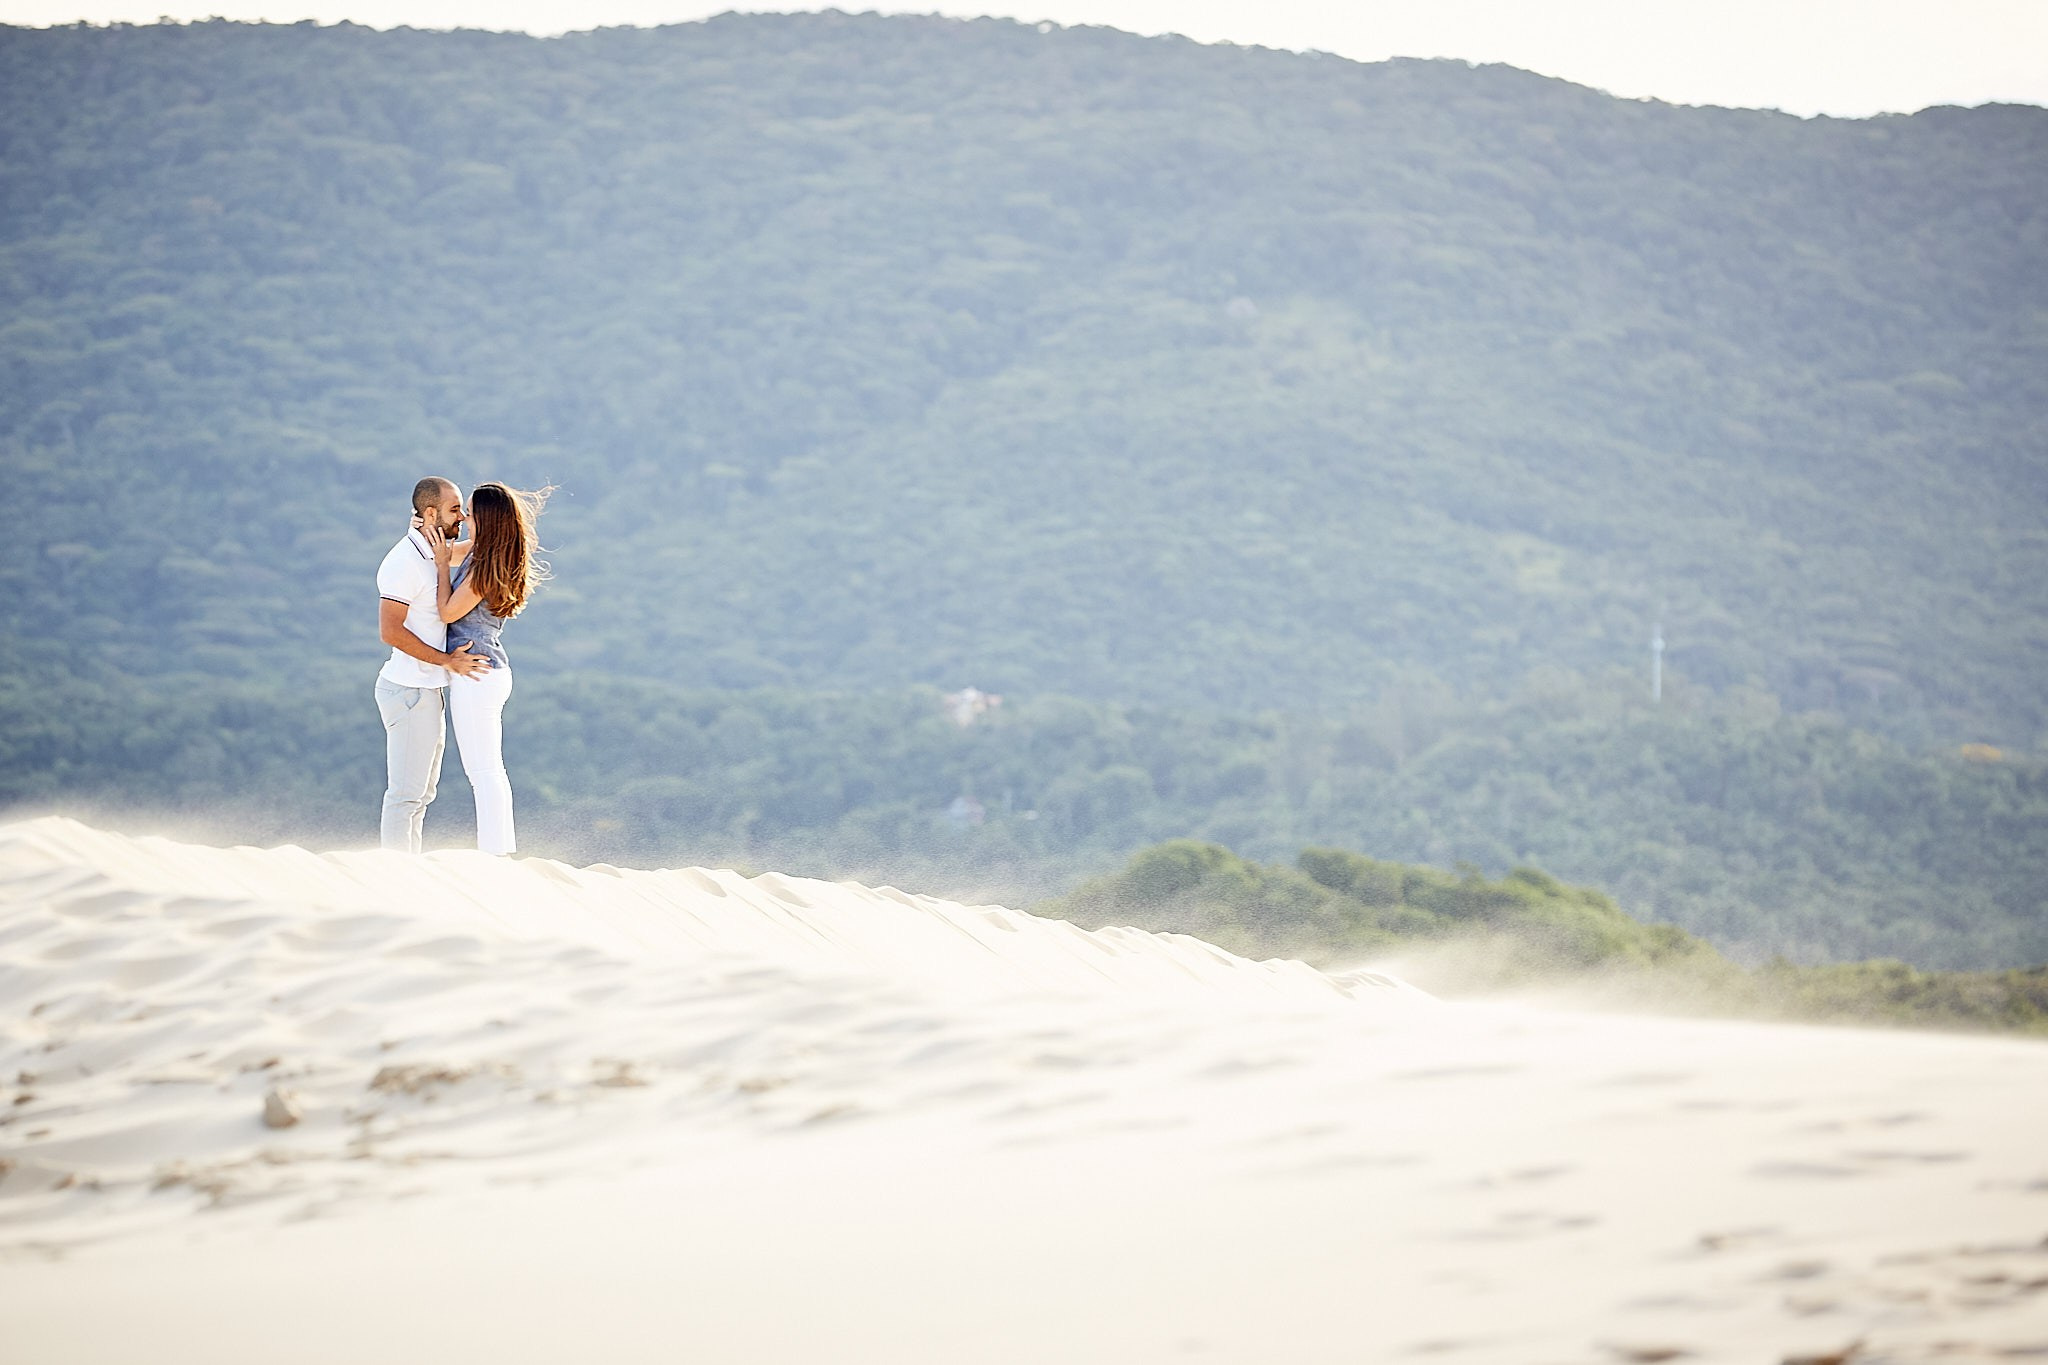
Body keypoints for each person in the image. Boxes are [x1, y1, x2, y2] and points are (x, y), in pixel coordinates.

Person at [421, 481, 550, 857]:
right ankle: (497, 849)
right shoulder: (485, 553)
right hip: (485, 671)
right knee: (486, 769)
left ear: (486, 521)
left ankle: (495, 854)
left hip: (477, 672)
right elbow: (443, 550)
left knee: (484, 771)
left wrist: (444, 568)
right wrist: (426, 523)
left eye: (470, 514)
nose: (463, 519)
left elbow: (447, 611)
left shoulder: (484, 569)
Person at [375, 477, 492, 852]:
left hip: (428, 691)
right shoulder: (404, 562)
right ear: (430, 513)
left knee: (423, 795)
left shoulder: (435, 549)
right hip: (410, 690)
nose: (462, 516)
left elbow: (480, 546)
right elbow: (390, 632)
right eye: (454, 509)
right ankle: (396, 876)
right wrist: (448, 661)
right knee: (406, 796)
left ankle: (409, 871)